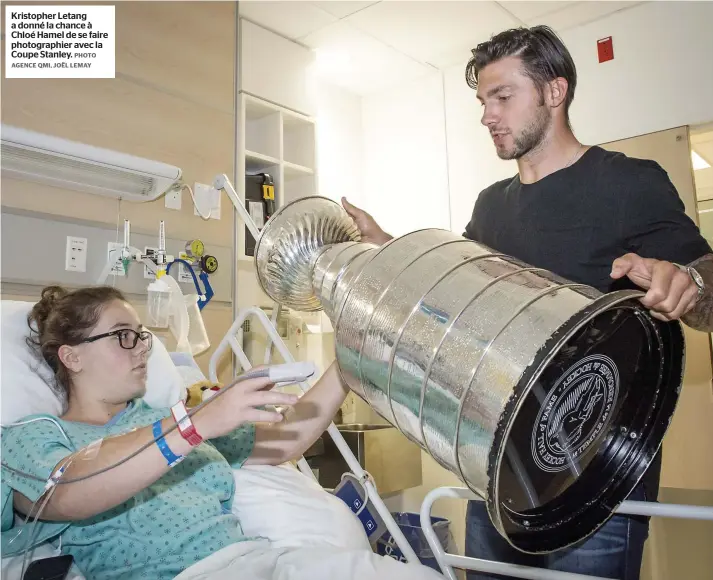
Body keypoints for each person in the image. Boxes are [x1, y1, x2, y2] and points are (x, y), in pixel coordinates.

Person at [341, 24, 713, 580]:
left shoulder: (629, 183)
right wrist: (392, 253)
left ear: (554, 93)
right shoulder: (491, 207)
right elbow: (459, 289)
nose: (487, 115)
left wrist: (689, 283)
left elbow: (706, 282)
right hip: (497, 470)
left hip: (594, 481)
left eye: (502, 97)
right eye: (482, 102)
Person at [1, 285, 444, 580]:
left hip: (267, 563)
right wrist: (196, 425)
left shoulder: (166, 417)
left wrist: (348, 365)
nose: (140, 349)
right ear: (72, 357)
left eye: (141, 336)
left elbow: (282, 443)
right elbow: (62, 493)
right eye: (122, 336)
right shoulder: (37, 434)